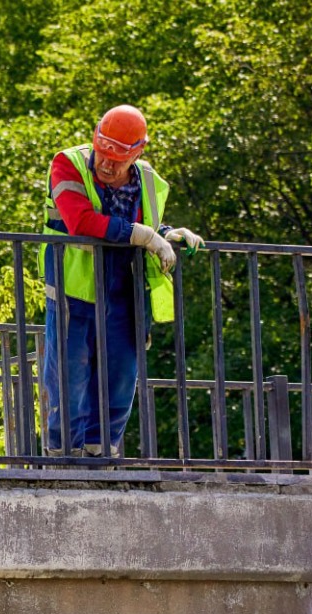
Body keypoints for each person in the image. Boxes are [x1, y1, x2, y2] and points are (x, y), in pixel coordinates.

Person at [39, 104, 204, 460]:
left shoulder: (145, 178)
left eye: (117, 160)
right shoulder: (68, 164)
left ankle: (101, 457)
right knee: (70, 376)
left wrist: (165, 233)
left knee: (119, 376)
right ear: (95, 141)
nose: (106, 165)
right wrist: (144, 235)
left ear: (137, 153)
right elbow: (81, 221)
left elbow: (142, 222)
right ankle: (63, 459)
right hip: (74, 286)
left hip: (124, 287)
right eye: (102, 154)